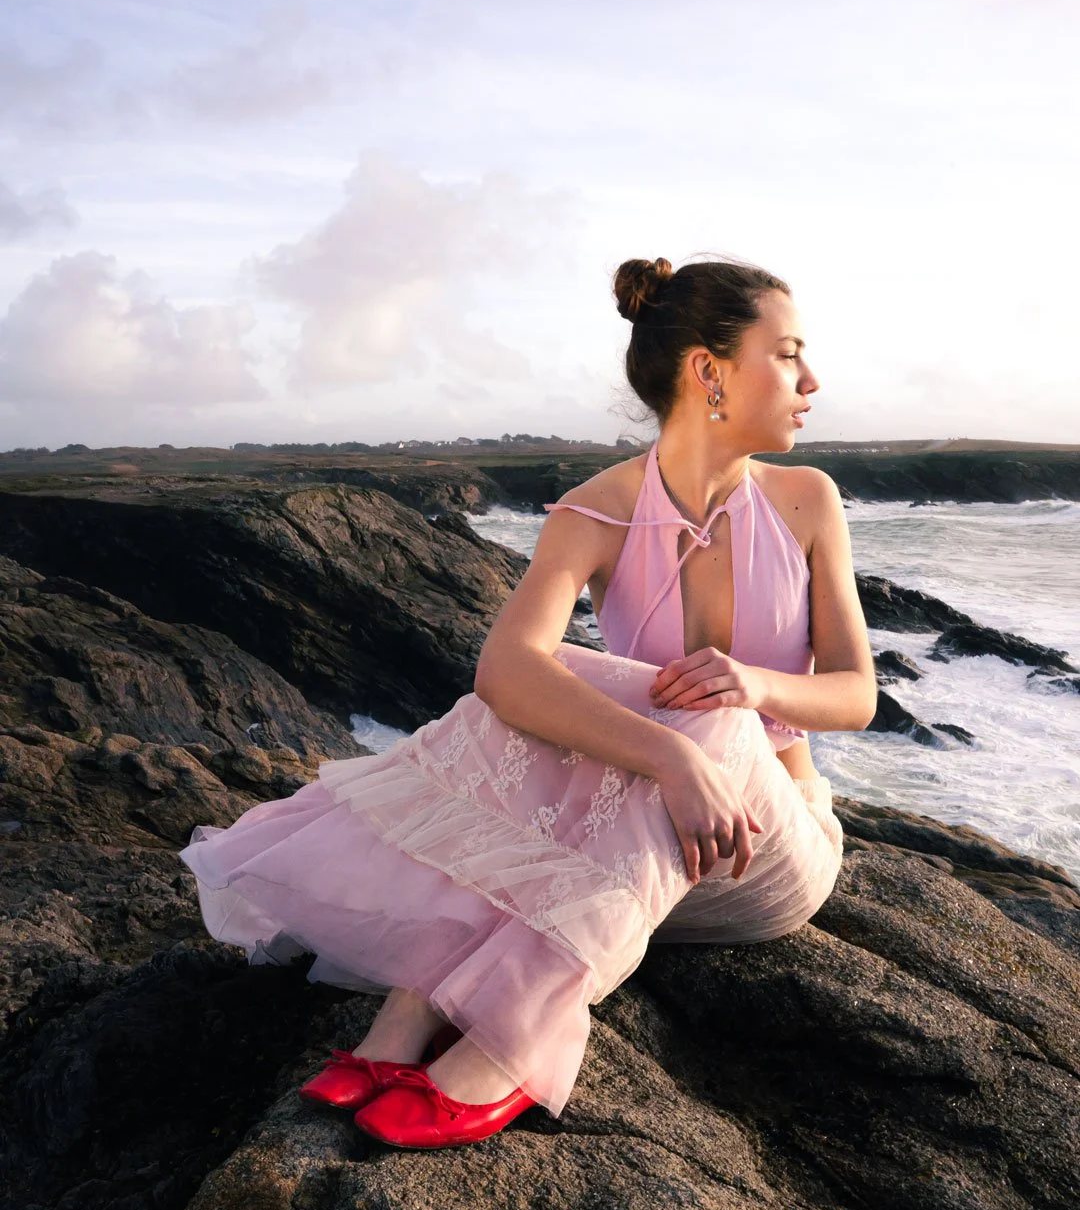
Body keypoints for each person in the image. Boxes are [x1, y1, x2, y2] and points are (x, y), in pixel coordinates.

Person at [180, 255, 877, 1150]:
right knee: (539, 685)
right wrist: (672, 757)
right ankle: (408, 1018)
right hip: (658, 830)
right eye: (787, 355)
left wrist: (751, 687)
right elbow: (504, 675)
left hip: (763, 849)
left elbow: (857, 694)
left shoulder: (809, 500)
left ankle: (512, 1034)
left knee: (709, 710)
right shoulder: (594, 511)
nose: (810, 379)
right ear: (709, 370)